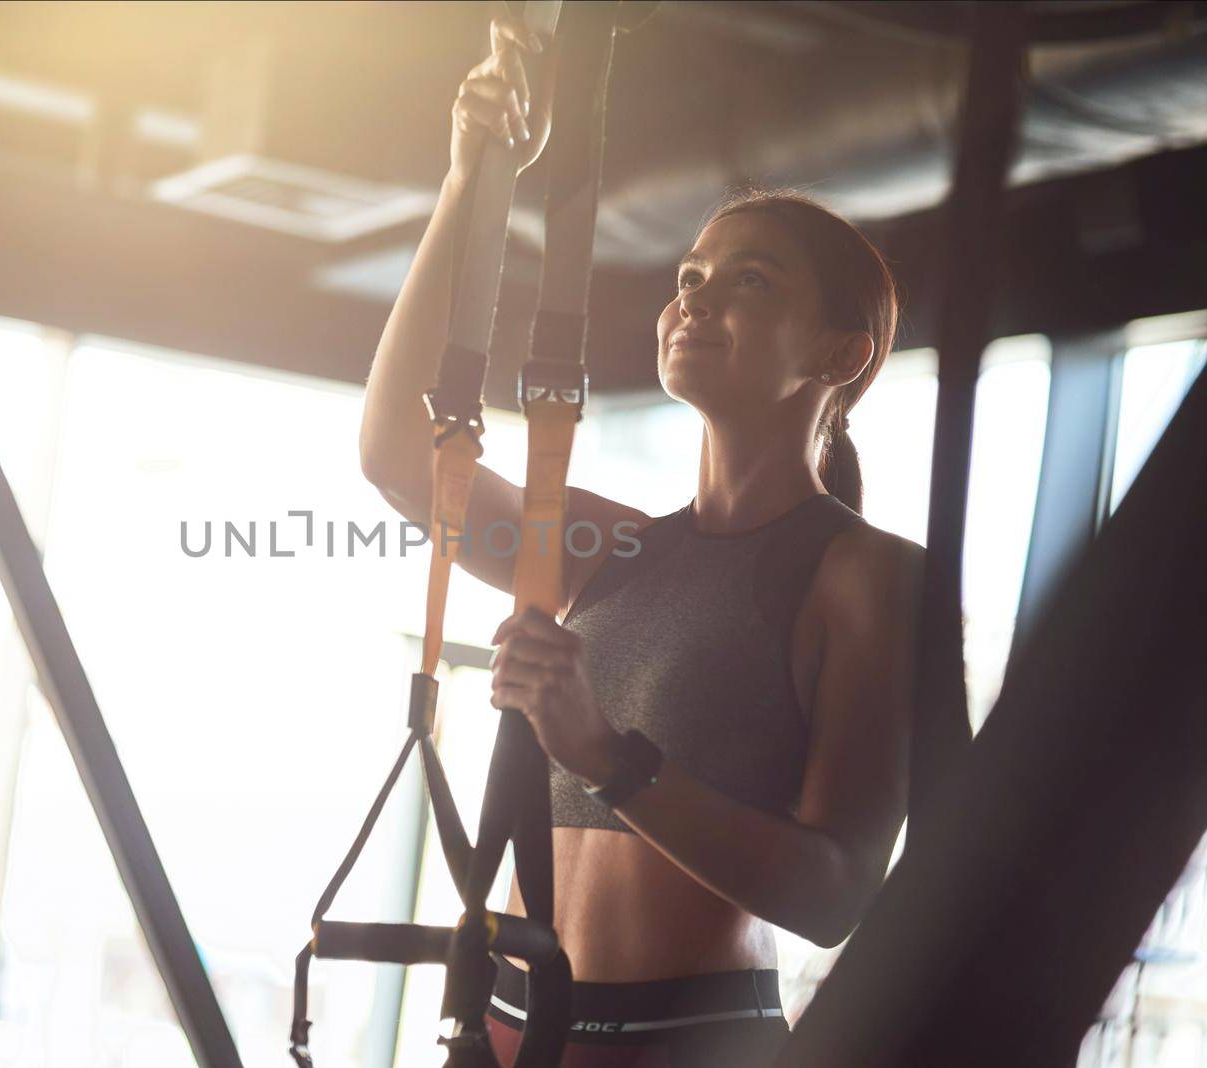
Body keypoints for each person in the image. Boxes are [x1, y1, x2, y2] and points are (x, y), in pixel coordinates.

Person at [358, 15, 925, 1067]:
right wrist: (470, 186)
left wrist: (606, 758)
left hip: (689, 1047)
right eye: (691, 278)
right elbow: (402, 457)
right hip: (503, 1033)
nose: (694, 300)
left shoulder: (864, 576)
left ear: (839, 355)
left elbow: (836, 893)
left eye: (747, 281)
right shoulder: (606, 548)